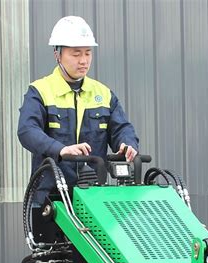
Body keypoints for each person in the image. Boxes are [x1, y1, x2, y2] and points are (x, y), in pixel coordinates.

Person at [18, 16, 139, 205]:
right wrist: (61, 150)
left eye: (88, 53)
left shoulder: (103, 94)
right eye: (76, 54)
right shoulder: (40, 91)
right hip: (50, 198)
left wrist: (127, 144)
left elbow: (121, 128)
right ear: (57, 54)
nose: (83, 61)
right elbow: (27, 131)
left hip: (94, 197)